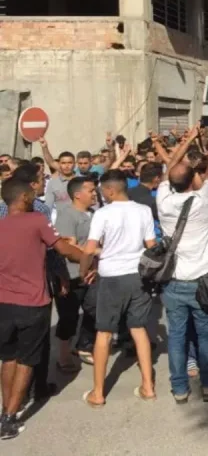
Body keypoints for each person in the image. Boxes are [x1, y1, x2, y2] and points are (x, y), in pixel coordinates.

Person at [0, 179, 84, 439]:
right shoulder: (36, 220)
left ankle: (6, 408)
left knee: (9, 357)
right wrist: (88, 255)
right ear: (25, 197)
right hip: (33, 303)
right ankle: (9, 419)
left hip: (3, 304)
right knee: (27, 359)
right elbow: (62, 250)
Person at [79, 170, 157, 407]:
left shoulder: (103, 214)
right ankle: (147, 386)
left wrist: (84, 272)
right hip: (138, 275)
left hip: (112, 277)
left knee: (103, 332)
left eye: (102, 190)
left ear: (110, 190)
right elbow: (151, 245)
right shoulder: (143, 211)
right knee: (138, 328)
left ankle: (98, 392)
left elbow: (90, 248)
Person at [156, 123, 208, 402]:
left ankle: (180, 388)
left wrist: (187, 141)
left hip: (173, 283)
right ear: (192, 178)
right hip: (201, 281)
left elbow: (169, 165)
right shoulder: (203, 199)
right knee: (205, 336)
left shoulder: (162, 200)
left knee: (177, 337)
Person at [53, 176, 99, 369]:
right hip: (70, 276)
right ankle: (63, 357)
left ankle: (83, 346)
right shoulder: (67, 215)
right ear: (77, 195)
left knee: (95, 311)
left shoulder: (95, 214)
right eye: (91, 191)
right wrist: (95, 252)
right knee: (68, 317)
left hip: (93, 273)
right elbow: (68, 250)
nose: (95, 193)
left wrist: (93, 259)